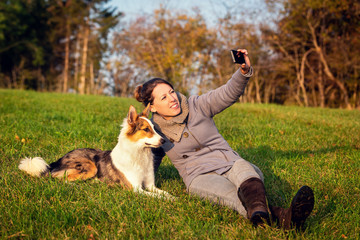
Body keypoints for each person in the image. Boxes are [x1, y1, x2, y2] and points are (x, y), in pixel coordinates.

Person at [133, 49, 314, 229]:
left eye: (172, 92)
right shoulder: (155, 131)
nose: (172, 98)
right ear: (153, 107)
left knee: (246, 171)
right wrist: (131, 179)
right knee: (231, 194)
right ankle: (285, 217)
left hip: (228, 161)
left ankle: (272, 216)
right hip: (199, 176)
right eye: (164, 97)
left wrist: (243, 72)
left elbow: (227, 93)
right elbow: (149, 161)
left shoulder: (197, 105)